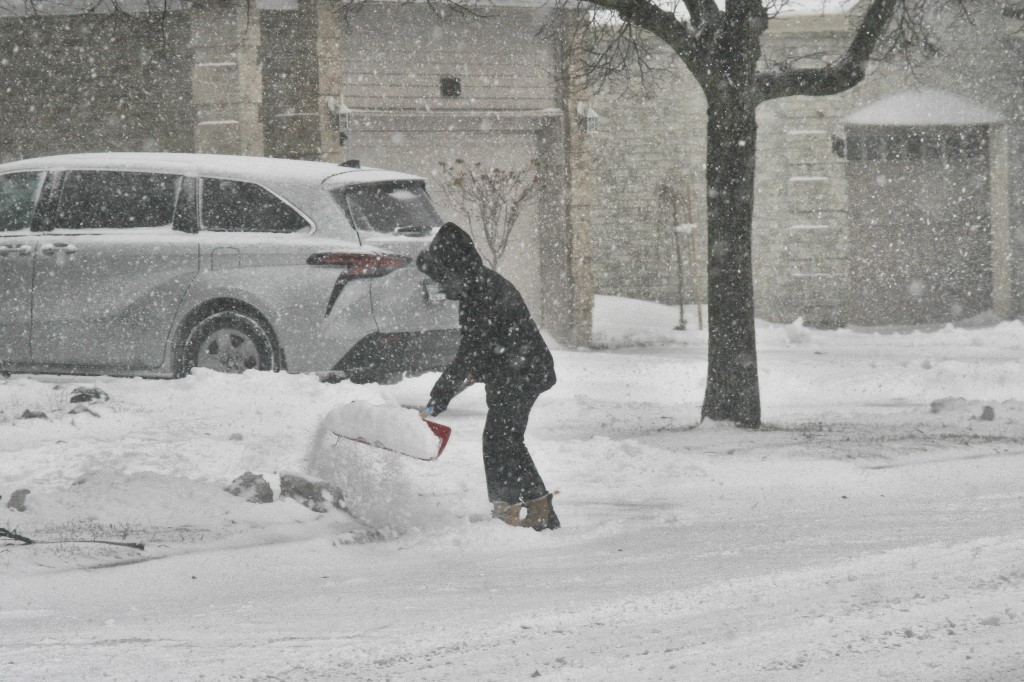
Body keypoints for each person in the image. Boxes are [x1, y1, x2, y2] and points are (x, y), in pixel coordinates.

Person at [417, 222, 559, 531]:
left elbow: (470, 353)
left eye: (442, 278)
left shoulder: (483, 292)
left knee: (500, 439)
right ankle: (535, 509)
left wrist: (438, 397)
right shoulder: (476, 287)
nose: (441, 287)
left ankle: (511, 509)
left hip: (523, 372)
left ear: (455, 268)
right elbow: (477, 353)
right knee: (505, 440)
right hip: (514, 371)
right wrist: (445, 392)